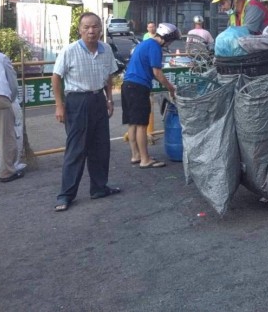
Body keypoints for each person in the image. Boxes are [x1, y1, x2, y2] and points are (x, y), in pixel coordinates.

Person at [52, 12, 121, 211]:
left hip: (98, 99)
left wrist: (109, 99)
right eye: (86, 27)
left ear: (100, 29)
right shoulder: (70, 50)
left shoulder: (106, 49)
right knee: (76, 149)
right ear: (80, 30)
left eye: (95, 27)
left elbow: (109, 75)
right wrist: (59, 105)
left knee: (100, 147)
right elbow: (56, 77)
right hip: (77, 101)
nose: (91, 31)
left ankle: (99, 188)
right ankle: (65, 196)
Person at [121, 22, 180, 169]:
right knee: (142, 125)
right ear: (167, 37)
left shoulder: (145, 43)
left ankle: (136, 155)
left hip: (127, 86)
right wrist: (171, 88)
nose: (171, 43)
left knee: (133, 123)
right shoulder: (155, 47)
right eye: (171, 39)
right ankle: (145, 159)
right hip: (138, 87)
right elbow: (157, 72)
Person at [0, 49, 23, 183]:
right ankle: (7, 172)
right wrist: (11, 99)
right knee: (6, 135)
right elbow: (12, 82)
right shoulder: (0, 57)